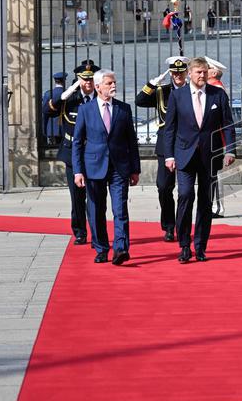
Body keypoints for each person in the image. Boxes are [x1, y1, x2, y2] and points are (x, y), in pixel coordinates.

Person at [161, 57, 237, 262]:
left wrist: (230, 150)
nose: (202, 75)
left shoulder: (218, 95)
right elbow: (170, 129)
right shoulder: (178, 96)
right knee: (185, 196)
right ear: (190, 74)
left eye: (204, 72)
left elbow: (228, 124)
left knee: (205, 202)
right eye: (198, 72)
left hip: (209, 156)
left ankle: (201, 246)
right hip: (184, 155)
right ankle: (184, 244)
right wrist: (169, 155)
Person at [72, 69, 141, 265]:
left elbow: (132, 141)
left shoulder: (123, 109)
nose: (113, 86)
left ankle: (120, 249)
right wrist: (78, 171)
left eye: (114, 82)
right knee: (96, 210)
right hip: (94, 168)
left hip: (119, 168)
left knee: (120, 210)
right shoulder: (86, 110)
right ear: (97, 86)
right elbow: (78, 142)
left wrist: (135, 169)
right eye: (109, 83)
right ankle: (101, 248)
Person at [46, 60, 100, 245]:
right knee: (77, 196)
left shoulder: (100, 98)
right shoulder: (70, 99)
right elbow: (47, 111)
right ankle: (79, 231)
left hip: (94, 154)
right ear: (78, 80)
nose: (88, 83)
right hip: (72, 154)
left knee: (94, 196)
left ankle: (96, 233)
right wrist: (62, 97)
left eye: (91, 79)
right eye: (84, 80)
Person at [135, 56, 188, 242]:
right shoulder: (161, 91)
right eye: (174, 72)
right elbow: (140, 101)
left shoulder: (192, 91)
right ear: (171, 73)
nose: (178, 76)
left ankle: (182, 225)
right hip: (165, 145)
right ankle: (169, 225)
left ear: (186, 73)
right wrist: (152, 83)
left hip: (186, 145)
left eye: (181, 72)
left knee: (185, 191)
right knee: (164, 187)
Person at [205, 57, 229, 219]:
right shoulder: (211, 87)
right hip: (212, 139)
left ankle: (217, 207)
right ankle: (211, 205)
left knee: (215, 176)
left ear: (213, 72)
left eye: (207, 68)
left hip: (216, 138)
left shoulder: (216, 88)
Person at [40, 72, 67, 147]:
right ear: (64, 80)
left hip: (51, 127)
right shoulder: (68, 93)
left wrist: (44, 129)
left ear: (55, 81)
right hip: (65, 126)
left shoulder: (48, 94)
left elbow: (44, 113)